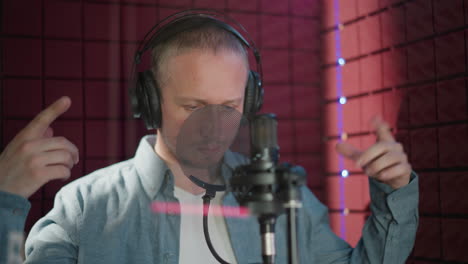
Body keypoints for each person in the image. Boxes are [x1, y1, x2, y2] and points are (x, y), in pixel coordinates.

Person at [0, 10, 418, 264]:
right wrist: (6, 197)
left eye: (229, 107)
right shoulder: (84, 206)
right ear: (148, 101)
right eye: (193, 106)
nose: (214, 127)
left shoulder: (280, 194)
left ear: (251, 100)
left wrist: (392, 193)